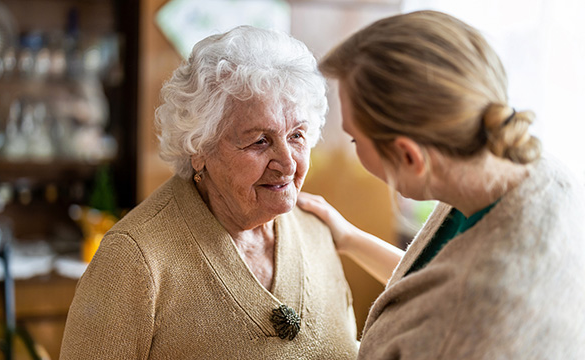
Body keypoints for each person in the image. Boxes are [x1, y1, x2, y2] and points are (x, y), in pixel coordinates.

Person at [298, 10, 585, 359]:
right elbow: (432, 285)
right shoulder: (531, 171)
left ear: (409, 156)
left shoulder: (466, 326)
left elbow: (452, 305)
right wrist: (349, 238)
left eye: (355, 140)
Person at [60, 26, 358, 359]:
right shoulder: (134, 260)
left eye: (298, 136)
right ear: (199, 147)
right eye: (260, 140)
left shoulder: (317, 231)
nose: (287, 164)